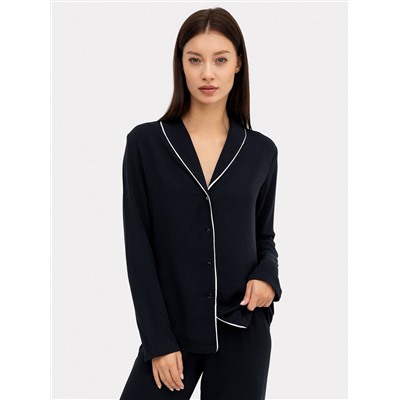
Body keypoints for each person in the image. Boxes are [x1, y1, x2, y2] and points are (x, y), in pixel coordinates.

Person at [119, 7, 282, 400]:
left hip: (242, 328)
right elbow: (139, 249)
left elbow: (264, 237)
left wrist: (268, 277)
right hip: (172, 333)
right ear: (181, 64)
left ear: (238, 64)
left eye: (220, 60)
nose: (208, 73)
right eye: (195, 60)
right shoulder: (145, 145)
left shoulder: (261, 151)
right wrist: (158, 341)